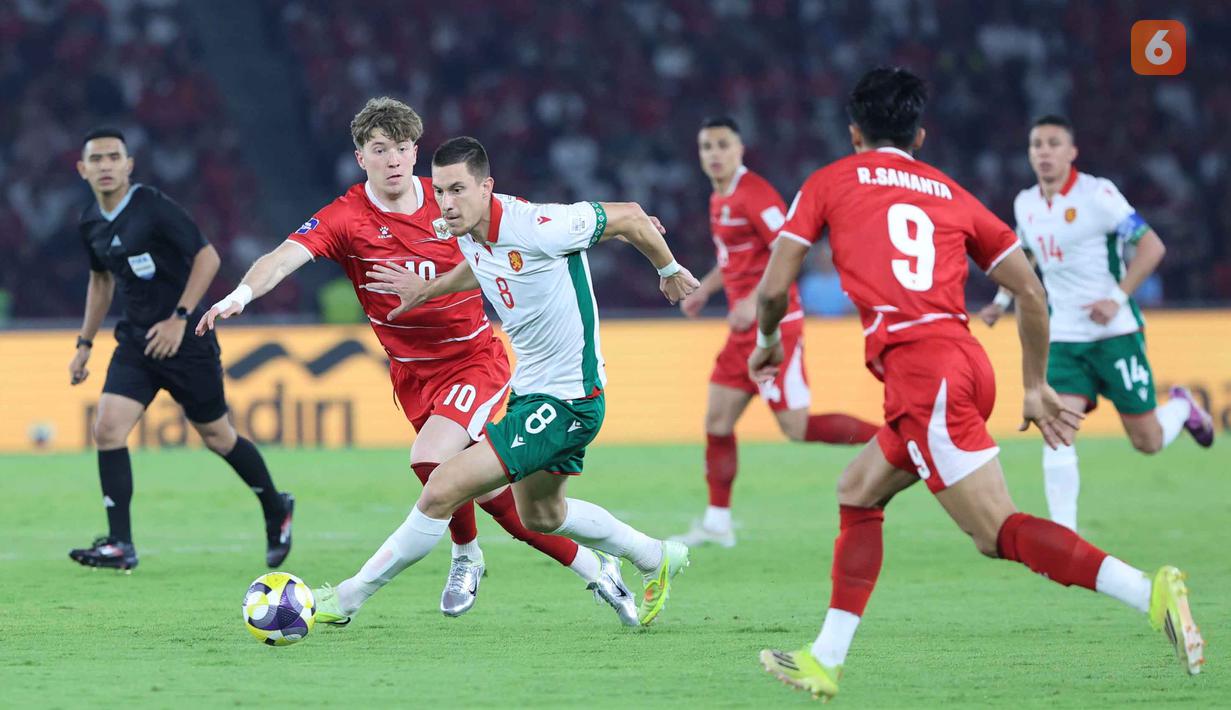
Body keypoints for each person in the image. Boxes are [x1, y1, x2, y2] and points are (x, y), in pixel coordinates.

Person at [754, 68, 1204, 700]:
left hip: (923, 374)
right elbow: (1030, 290)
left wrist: (770, 344)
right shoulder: (948, 190)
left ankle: (1146, 590)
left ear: (855, 132)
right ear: (920, 135)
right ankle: (826, 657)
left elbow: (774, 288)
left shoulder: (830, 180)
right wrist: (1033, 385)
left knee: (996, 533)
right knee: (857, 490)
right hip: (963, 360)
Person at [198, 98, 633, 622]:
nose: (394, 160)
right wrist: (239, 296)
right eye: (380, 150)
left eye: (402, 148)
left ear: (415, 150)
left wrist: (626, 229)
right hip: (410, 373)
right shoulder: (347, 217)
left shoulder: (452, 201)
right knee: (491, 495)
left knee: (431, 461)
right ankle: (595, 567)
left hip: (474, 360)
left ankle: (465, 556)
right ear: (361, 157)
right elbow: (283, 258)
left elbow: (514, 234)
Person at [311, 136, 701, 628]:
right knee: (542, 515)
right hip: (532, 393)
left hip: (569, 400)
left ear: (486, 187)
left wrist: (667, 270)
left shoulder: (539, 224)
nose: (447, 203)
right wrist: (426, 291)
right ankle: (655, 556)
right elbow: (478, 268)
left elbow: (628, 215)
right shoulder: (471, 233)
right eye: (442, 193)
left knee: (441, 486)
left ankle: (346, 599)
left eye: (458, 190)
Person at [69, 128, 293, 572]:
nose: (107, 165)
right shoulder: (90, 222)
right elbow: (100, 282)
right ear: (83, 169)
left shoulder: (152, 207)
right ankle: (120, 544)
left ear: (129, 164)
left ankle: (275, 504)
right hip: (136, 341)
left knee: (217, 437)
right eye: (97, 159)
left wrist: (180, 317)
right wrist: (84, 343)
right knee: (108, 428)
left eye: (115, 156)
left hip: (186, 341)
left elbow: (207, 257)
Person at [978, 115, 1214, 531]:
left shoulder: (1099, 195)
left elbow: (1151, 246)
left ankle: (1182, 407)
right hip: (1063, 337)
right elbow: (1026, 257)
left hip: (1114, 333)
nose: (1045, 152)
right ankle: (1065, 540)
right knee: (1056, 428)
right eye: (1037, 145)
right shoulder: (1026, 203)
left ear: (1072, 152)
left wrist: (1117, 297)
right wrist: (1001, 300)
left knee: (1148, 442)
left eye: (1054, 143)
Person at [672, 117, 879, 548]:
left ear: (740, 149)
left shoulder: (755, 195)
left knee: (796, 427)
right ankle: (717, 521)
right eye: (706, 146)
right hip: (742, 330)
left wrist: (754, 302)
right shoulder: (719, 197)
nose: (714, 153)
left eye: (722, 145)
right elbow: (732, 259)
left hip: (774, 325)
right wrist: (705, 290)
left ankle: (892, 439)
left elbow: (790, 250)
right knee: (717, 419)